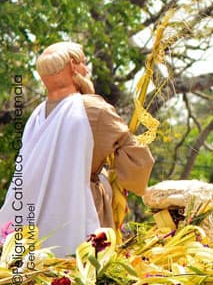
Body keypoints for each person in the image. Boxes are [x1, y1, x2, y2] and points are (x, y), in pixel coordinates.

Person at [0, 42, 155, 257]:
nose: (87, 69)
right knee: (81, 266)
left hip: (31, 210)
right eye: (83, 63)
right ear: (73, 66)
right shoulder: (93, 109)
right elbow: (138, 160)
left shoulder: (36, 114)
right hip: (82, 206)